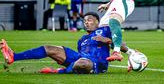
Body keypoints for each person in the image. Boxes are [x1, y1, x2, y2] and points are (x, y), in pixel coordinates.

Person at [1, 12, 136, 74]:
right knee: (48, 48)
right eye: (84, 21)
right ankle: (14, 56)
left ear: (97, 22)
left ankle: (60, 71)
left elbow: (122, 46)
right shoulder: (82, 40)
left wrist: (107, 40)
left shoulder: (105, 30)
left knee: (82, 63)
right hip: (79, 56)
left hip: (97, 63)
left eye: (89, 20)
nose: (86, 23)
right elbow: (79, 54)